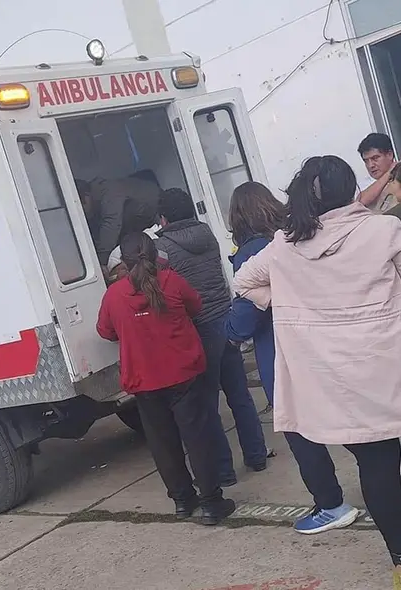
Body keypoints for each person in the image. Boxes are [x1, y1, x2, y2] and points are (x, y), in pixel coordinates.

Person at [233, 155, 401, 586]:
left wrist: (291, 302)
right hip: (390, 363)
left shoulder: (283, 248)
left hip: (338, 384)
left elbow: (243, 282)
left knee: (377, 465)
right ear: (351, 189)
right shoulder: (385, 231)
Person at [225, 180, 360, 535]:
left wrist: (229, 328)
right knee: (349, 422)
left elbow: (243, 319)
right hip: (320, 345)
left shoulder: (252, 254)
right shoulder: (296, 237)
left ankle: (331, 505)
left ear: (237, 216)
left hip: (282, 356)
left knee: (301, 432)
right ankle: (387, 476)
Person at [97, 232, 236, 525]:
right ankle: (212, 503)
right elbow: (195, 306)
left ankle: (183, 501)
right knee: (197, 438)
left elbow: (105, 331)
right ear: (154, 254)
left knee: (163, 444)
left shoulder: (114, 295)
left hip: (143, 380)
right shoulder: (172, 281)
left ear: (123, 262)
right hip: (183, 373)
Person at [156, 188, 271, 485]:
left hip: (198, 327)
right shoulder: (206, 233)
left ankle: (223, 471)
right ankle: (257, 455)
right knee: (239, 394)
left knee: (208, 405)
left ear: (163, 219)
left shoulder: (162, 248)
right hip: (225, 318)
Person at [75, 175, 160, 269]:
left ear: (87, 196)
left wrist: (102, 263)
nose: (84, 215)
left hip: (157, 211)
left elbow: (111, 225)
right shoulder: (99, 199)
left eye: (83, 209)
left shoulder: (110, 192)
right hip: (143, 219)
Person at [357, 133, 398, 211]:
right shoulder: (363, 185)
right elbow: (360, 202)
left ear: (390, 155)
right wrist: (389, 173)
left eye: (375, 158)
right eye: (366, 161)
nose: (370, 165)